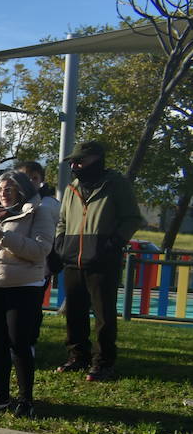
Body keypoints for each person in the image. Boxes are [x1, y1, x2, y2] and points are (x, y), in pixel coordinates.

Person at [0, 171, 58, 417]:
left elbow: (40, 250)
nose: (3, 193)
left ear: (22, 190)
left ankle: (25, 400)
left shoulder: (38, 211)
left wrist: (2, 236)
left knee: (19, 343)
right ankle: (1, 397)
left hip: (24, 286)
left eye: (9, 189)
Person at [53, 141, 143, 382]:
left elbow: (133, 218)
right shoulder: (72, 187)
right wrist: (61, 242)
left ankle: (103, 363)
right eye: (72, 162)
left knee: (104, 316)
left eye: (79, 161)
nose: (74, 166)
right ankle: (77, 357)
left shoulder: (116, 184)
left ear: (97, 160)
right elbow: (62, 220)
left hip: (103, 261)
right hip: (73, 260)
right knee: (74, 312)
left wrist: (113, 244)